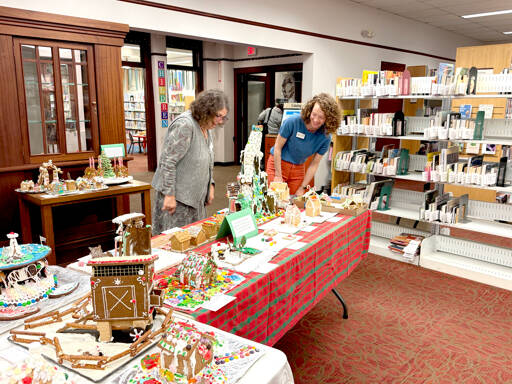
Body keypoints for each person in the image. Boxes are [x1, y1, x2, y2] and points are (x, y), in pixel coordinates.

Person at [151, 89, 229, 234]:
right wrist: (169, 194)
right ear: (205, 110)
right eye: (218, 116)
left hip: (194, 199)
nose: (220, 121)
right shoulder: (185, 125)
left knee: (194, 241)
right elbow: (167, 162)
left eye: (223, 117)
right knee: (174, 243)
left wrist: (210, 185)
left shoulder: (207, 127)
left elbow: (207, 160)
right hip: (176, 199)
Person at [266, 93, 340, 196]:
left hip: (298, 169)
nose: (315, 120)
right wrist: (278, 175)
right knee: (275, 200)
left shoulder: (326, 137)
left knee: (293, 203)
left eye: (321, 117)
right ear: (310, 110)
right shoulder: (293, 122)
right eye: (314, 114)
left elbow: (314, 164)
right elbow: (278, 148)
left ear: (329, 119)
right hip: (277, 165)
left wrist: (302, 187)